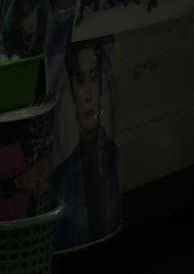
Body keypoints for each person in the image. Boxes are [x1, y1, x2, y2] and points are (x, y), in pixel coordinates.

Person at [53, 40, 120, 248]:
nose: (89, 95)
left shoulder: (113, 158)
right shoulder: (63, 179)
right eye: (80, 81)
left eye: (94, 77)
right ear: (72, 90)